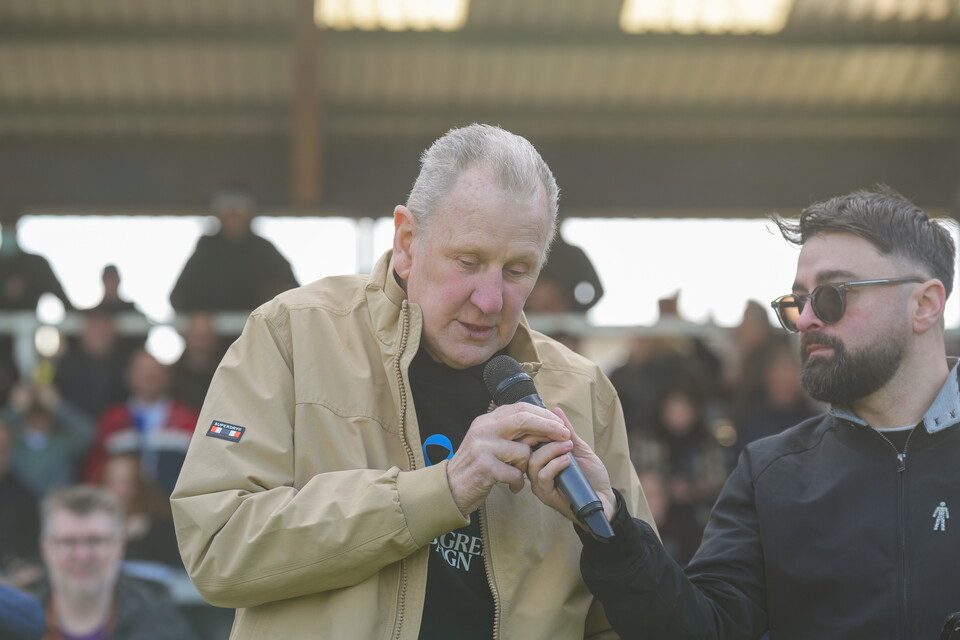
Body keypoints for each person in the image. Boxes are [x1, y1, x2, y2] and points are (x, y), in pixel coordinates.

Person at [170, 123, 651, 639]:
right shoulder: (293, 333)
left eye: (517, 271)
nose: (490, 300)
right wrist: (442, 488)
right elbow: (218, 547)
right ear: (405, 241)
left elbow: (626, 622)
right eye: (469, 261)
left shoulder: (585, 393)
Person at [528, 186, 960, 639]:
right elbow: (702, 629)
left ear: (925, 305)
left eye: (833, 295)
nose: (808, 319)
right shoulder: (771, 473)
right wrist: (611, 524)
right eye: (798, 302)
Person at [34, 484, 197, 640]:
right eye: (68, 542)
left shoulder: (162, 625)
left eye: (96, 541)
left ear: (120, 547)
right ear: (45, 549)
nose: (82, 555)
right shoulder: (14, 623)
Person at [84, 349, 198, 496]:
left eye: (155, 370)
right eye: (141, 370)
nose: (148, 376)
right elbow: (96, 471)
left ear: (168, 376)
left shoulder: (189, 419)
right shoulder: (111, 420)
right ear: (128, 375)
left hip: (175, 511)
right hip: (122, 511)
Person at [169, 189, 299, 313]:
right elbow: (179, 297)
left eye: (238, 210)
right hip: (216, 335)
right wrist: (196, 314)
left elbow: (293, 295)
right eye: (227, 211)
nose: (233, 216)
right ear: (218, 215)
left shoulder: (265, 251)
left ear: (249, 214)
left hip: (257, 333)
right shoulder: (206, 250)